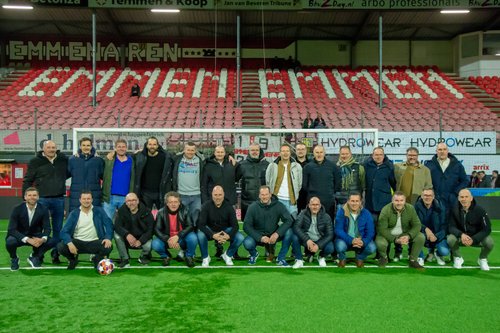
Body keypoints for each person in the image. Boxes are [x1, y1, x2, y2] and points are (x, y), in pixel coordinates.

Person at [23, 140, 69, 264]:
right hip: (41, 199)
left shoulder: (62, 159)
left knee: (58, 228)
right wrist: (25, 197)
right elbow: (27, 180)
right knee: (39, 229)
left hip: (59, 198)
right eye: (49, 147)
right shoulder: (35, 161)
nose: (51, 149)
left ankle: (56, 254)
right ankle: (39, 254)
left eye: (53, 147)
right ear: (43, 148)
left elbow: (68, 173)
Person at [243, 186, 301, 266]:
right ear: (259, 195)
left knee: (289, 232)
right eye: (262, 195)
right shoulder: (252, 207)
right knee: (247, 242)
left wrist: (277, 233)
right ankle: (254, 254)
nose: (264, 197)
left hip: (273, 234)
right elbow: (246, 226)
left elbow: (289, 220)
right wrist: (260, 238)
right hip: (258, 236)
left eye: (266, 194)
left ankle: (280, 258)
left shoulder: (278, 205)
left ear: (270, 194)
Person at [58, 191, 113, 270]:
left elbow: (109, 225)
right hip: (78, 243)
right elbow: (63, 231)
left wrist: (108, 238)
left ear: (92, 200)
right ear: (80, 200)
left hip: (95, 242)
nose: (86, 201)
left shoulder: (99, 211)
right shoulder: (74, 213)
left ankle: (97, 259)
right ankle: (72, 260)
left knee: (108, 246)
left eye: (88, 198)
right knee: (61, 246)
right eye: (84, 199)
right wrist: (70, 243)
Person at [6, 187, 56, 270]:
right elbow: (11, 229)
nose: (32, 197)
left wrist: (42, 239)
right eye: (29, 195)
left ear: (38, 197)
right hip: (20, 236)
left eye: (34, 195)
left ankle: (34, 256)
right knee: (10, 241)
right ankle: (14, 258)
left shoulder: (43, 209)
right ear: (25, 197)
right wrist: (27, 239)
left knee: (52, 241)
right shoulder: (17, 208)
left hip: (35, 236)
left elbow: (47, 228)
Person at [375, 191, 425, 269]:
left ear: (405, 201)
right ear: (392, 201)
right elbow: (382, 229)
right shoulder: (385, 209)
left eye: (401, 200)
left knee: (420, 237)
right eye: (396, 200)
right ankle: (384, 258)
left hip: (405, 233)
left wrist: (408, 235)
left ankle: (413, 260)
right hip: (389, 233)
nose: (399, 203)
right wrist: (395, 240)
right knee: (380, 242)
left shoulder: (410, 208)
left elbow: (417, 224)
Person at [447, 189, 494, 271]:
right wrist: (461, 235)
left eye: (466, 197)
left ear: (471, 198)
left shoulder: (480, 210)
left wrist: (474, 239)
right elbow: (451, 227)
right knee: (450, 239)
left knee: (489, 242)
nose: (464, 199)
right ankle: (458, 258)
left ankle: (482, 259)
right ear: (458, 198)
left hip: (476, 238)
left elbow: (487, 229)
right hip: (461, 237)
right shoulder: (454, 210)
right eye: (462, 197)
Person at [197, 186, 244, 267]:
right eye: (215, 195)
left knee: (240, 237)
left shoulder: (229, 207)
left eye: (220, 195)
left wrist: (228, 236)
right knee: (200, 235)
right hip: (211, 231)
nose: (217, 197)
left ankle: (228, 255)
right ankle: (205, 257)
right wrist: (213, 235)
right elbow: (201, 225)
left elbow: (235, 226)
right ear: (212, 195)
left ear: (223, 195)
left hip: (225, 231)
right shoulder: (206, 206)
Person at [152, 191, 198, 267]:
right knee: (155, 244)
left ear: (179, 203)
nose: (173, 204)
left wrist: (178, 236)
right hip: (167, 239)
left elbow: (190, 226)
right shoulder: (160, 212)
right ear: (167, 203)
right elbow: (156, 229)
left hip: (181, 238)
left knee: (193, 237)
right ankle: (166, 256)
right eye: (170, 202)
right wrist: (168, 239)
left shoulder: (185, 210)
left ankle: (188, 256)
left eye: (175, 202)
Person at [334, 192, 376, 268]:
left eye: (357, 201)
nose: (354, 203)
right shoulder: (341, 211)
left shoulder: (366, 213)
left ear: (360, 202)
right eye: (352, 201)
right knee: (340, 246)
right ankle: (342, 258)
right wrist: (351, 240)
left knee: (372, 248)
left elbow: (370, 232)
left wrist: (363, 241)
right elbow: (338, 230)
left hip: (361, 241)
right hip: (345, 240)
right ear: (348, 201)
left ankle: (359, 258)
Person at [113, 193, 154, 268]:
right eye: (129, 201)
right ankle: (124, 259)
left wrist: (140, 241)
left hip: (141, 239)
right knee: (116, 235)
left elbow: (150, 230)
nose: (131, 203)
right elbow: (117, 226)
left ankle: (144, 256)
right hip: (127, 239)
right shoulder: (121, 211)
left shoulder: (147, 212)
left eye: (134, 200)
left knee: (149, 244)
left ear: (138, 201)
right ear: (125, 202)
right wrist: (127, 235)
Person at [292, 196, 334, 268]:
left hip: (320, 239)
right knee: (294, 237)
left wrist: (318, 245)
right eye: (313, 205)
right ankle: (299, 259)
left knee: (330, 247)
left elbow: (330, 234)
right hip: (307, 239)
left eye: (317, 205)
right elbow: (296, 227)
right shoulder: (303, 213)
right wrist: (307, 240)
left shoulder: (326, 216)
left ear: (320, 206)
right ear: (309, 205)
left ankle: (321, 257)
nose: (315, 207)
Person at [425, 142, 468, 211]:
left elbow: (465, 181)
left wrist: (455, 193)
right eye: (440, 149)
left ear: (447, 151)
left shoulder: (457, 165)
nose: (442, 152)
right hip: (434, 201)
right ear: (436, 151)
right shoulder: (429, 165)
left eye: (444, 149)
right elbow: (425, 182)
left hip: (452, 202)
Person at [302, 144, 342, 219]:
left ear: (324, 153)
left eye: (321, 152)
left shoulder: (333, 166)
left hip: (328, 201)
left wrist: (330, 193)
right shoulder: (307, 167)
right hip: (313, 202)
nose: (319, 154)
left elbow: (338, 183)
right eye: (317, 152)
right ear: (313, 153)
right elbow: (304, 185)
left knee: (328, 223)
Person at [134, 136, 173, 210]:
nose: (152, 146)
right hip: (145, 193)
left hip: (161, 192)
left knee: (162, 216)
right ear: (146, 145)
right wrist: (114, 152)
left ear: (158, 146)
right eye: (150, 144)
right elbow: (124, 156)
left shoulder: (165, 157)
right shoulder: (140, 157)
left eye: (154, 144)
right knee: (145, 217)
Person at [68, 137, 104, 213]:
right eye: (83, 145)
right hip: (76, 195)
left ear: (91, 146)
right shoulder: (72, 160)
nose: (86, 147)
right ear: (80, 146)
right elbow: (65, 174)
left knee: (94, 219)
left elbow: (104, 177)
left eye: (88, 145)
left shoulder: (98, 160)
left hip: (94, 195)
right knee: (76, 220)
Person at [414, 188, 449, 266]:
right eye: (425, 195)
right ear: (422, 196)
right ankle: (420, 257)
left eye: (430, 195)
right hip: (422, 234)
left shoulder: (441, 208)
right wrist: (426, 230)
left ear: (433, 197)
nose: (427, 197)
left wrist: (435, 236)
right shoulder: (416, 207)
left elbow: (445, 226)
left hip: (437, 235)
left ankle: (438, 254)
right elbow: (415, 223)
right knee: (416, 236)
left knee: (444, 251)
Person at [172, 142, 204, 225]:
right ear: (184, 150)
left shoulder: (200, 160)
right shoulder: (177, 160)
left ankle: (194, 236)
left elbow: (213, 158)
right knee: (181, 221)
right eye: (188, 150)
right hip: (181, 195)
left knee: (195, 221)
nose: (190, 152)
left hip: (196, 195)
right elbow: (166, 156)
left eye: (192, 150)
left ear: (195, 151)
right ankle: (181, 236)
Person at [266, 144, 302, 216]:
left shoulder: (297, 166)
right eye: (283, 151)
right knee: (276, 223)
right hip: (277, 199)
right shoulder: (272, 166)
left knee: (292, 222)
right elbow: (268, 182)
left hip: (291, 201)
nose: (285, 153)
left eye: (287, 151)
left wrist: (295, 196)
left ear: (290, 153)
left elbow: (299, 184)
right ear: (280, 153)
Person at [102, 139, 135, 220]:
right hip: (109, 197)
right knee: (107, 222)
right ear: (115, 148)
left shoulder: (132, 161)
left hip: (126, 198)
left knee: (124, 223)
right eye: (119, 147)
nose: (121, 148)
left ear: (126, 148)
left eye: (123, 147)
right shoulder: (109, 160)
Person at [235, 143, 269, 220]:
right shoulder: (241, 165)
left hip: (262, 202)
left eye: (257, 150)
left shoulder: (266, 165)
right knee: (247, 227)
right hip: (246, 203)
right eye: (252, 150)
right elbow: (234, 179)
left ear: (260, 151)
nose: (255, 152)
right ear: (249, 151)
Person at [363, 146, 396, 223]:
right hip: (370, 203)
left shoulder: (389, 167)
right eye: (376, 155)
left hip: (384, 203)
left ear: (384, 156)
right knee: (371, 225)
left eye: (380, 155)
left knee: (383, 225)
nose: (378, 157)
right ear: (372, 156)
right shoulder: (366, 166)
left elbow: (393, 183)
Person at [294, 142, 310, 212]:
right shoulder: (291, 164)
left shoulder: (311, 164)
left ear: (306, 151)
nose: (300, 151)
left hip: (308, 195)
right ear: (295, 151)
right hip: (294, 195)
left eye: (302, 149)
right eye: (298, 149)